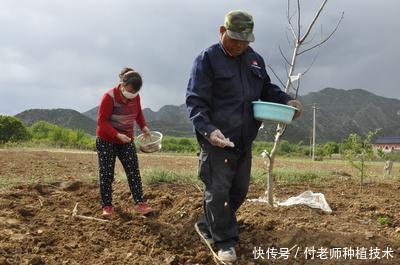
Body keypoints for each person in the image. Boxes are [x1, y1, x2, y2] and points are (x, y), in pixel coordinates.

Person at [186, 10, 302, 262]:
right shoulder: (207, 59)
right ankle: (224, 242)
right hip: (216, 140)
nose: (239, 45)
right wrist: (208, 130)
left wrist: (286, 100)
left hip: (243, 140)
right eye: (235, 39)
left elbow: (266, 89)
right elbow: (195, 102)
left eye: (245, 40)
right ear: (222, 31)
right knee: (218, 192)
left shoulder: (255, 60)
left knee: (238, 191)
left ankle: (208, 224)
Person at [96, 67, 153, 216]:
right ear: (122, 84)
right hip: (107, 140)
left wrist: (144, 127)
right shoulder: (108, 97)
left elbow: (138, 113)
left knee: (133, 171)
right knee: (106, 173)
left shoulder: (135, 96)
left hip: (126, 140)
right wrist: (116, 135)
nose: (131, 96)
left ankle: (139, 203)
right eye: (129, 91)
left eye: (135, 93)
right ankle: (107, 205)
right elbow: (101, 122)